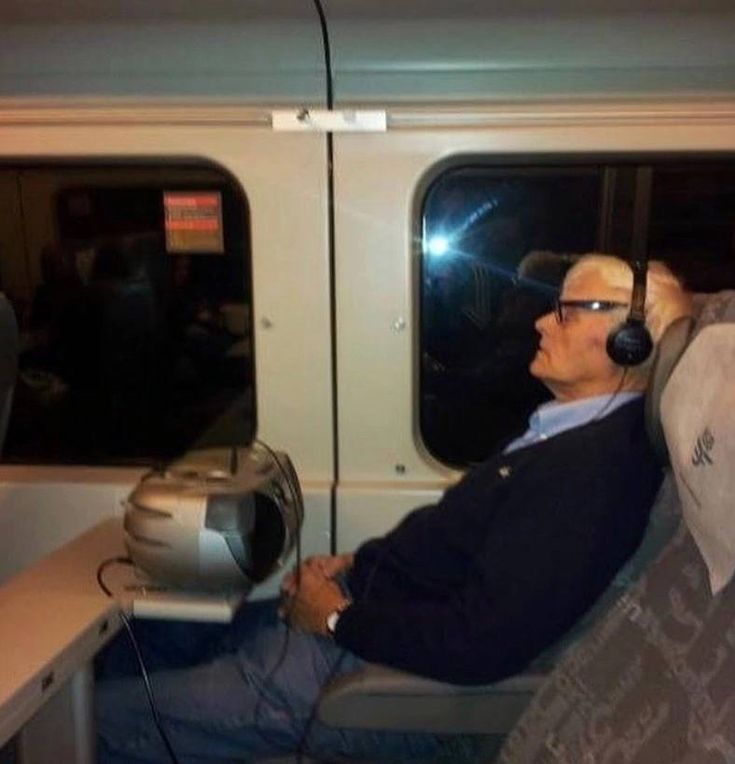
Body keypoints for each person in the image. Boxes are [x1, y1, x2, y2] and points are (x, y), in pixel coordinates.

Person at [96, 254, 692, 763]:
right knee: (139, 639)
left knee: (88, 717)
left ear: (629, 339)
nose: (542, 321)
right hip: (364, 615)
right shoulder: (565, 433)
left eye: (566, 310)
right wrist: (355, 563)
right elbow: (470, 554)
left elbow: (482, 644)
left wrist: (335, 618)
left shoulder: (590, 476)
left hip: (371, 676)